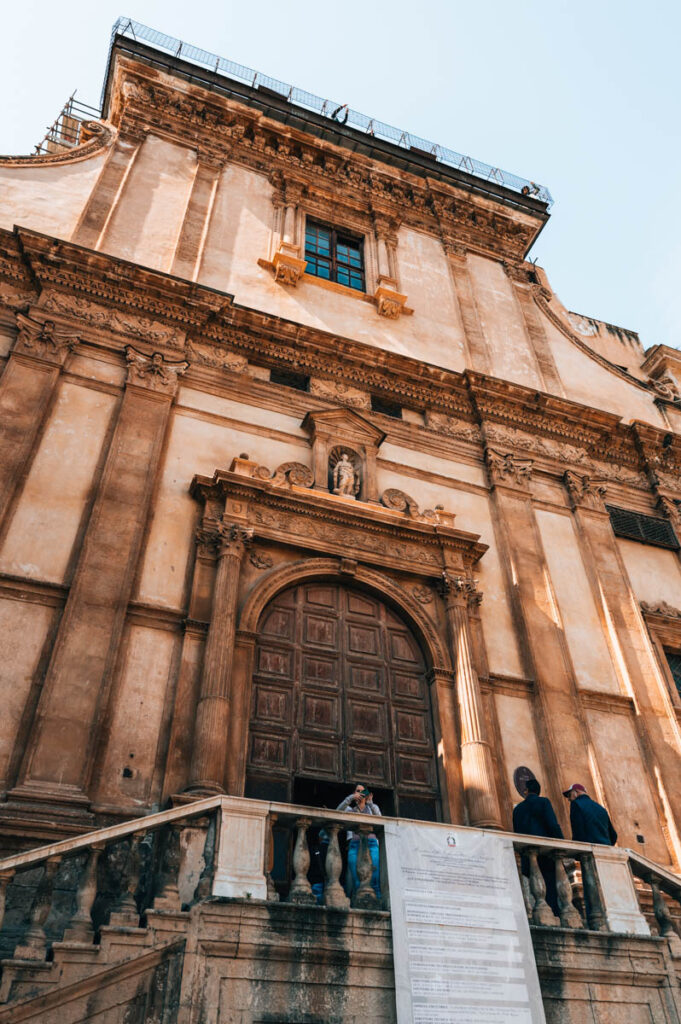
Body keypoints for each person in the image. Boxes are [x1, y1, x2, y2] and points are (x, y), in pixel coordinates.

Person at [512, 778, 563, 916]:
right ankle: (552, 914)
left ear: (526, 791)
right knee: (550, 888)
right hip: (546, 855)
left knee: (535, 889)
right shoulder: (544, 802)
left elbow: (517, 833)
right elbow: (553, 825)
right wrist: (561, 843)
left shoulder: (518, 810)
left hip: (528, 856)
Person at [337, 784, 381, 899]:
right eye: (358, 791)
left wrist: (370, 803)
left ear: (367, 795)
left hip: (371, 844)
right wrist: (350, 798)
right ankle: (359, 901)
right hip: (355, 845)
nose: (360, 794)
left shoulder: (372, 808)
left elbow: (380, 819)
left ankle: (378, 901)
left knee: (375, 876)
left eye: (363, 792)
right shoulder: (349, 809)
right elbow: (337, 812)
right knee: (356, 877)